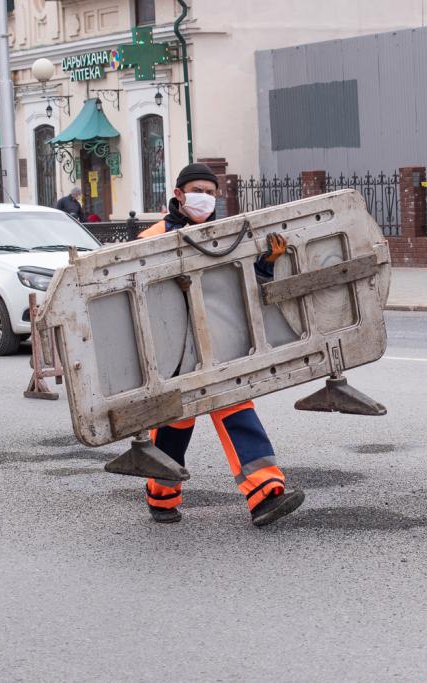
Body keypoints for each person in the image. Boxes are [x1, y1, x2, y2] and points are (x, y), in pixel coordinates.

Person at [137, 163, 305, 526]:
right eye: (199, 190)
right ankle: (162, 497)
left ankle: (266, 493)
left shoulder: (226, 235)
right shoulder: (152, 238)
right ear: (179, 194)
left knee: (235, 408)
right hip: (176, 351)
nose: (207, 198)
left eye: (212, 193)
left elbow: (239, 283)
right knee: (175, 425)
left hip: (218, 343)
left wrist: (266, 263)